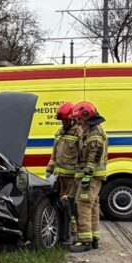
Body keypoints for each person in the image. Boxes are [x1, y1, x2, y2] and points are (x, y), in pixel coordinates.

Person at [69, 101, 108, 253]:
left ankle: (84, 241)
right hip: (93, 176)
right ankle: (94, 238)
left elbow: (94, 154)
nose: (78, 122)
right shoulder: (91, 130)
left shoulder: (95, 133)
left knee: (83, 205)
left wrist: (87, 173)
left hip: (91, 176)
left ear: (86, 117)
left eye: (79, 119)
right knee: (92, 206)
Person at [44, 101, 81, 243]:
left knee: (73, 207)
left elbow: (81, 156)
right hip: (59, 177)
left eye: (65, 120)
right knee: (60, 206)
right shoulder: (60, 132)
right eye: (61, 120)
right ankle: (63, 235)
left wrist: (79, 175)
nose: (63, 123)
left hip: (72, 178)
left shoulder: (79, 132)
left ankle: (74, 235)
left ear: (72, 119)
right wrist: (49, 169)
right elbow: (54, 154)